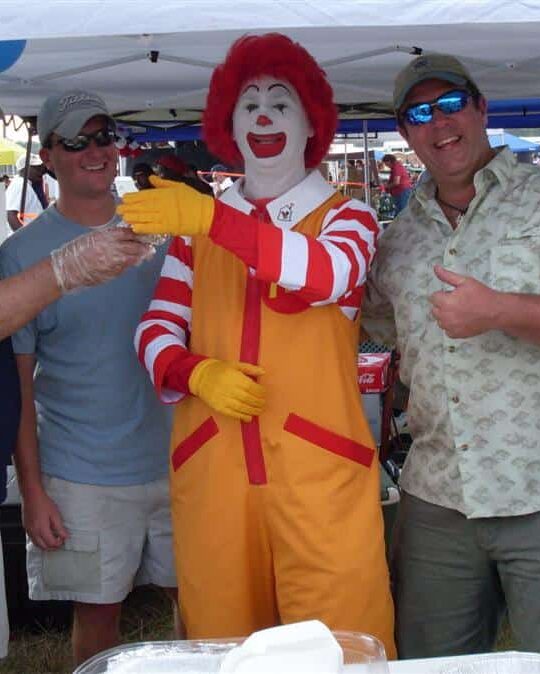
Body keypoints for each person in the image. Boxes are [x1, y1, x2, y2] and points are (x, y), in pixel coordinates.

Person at [118, 32, 395, 654]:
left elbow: (326, 275)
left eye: (281, 101)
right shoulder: (196, 231)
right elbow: (155, 329)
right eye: (249, 104)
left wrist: (213, 219)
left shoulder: (348, 216)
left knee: (340, 646)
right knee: (220, 648)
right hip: (213, 472)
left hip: (320, 473)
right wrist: (195, 374)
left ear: (310, 123)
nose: (264, 115)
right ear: (229, 125)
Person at [362, 52, 540, 671]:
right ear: (406, 133)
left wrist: (499, 311)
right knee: (431, 664)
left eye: (452, 103)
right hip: (436, 499)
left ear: (482, 107)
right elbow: (358, 322)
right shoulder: (398, 238)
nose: (440, 123)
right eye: (420, 114)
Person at [0, 89, 178, 666]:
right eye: (76, 140)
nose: (95, 150)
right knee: (96, 614)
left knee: (196, 604)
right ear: (49, 155)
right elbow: (19, 386)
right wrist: (31, 491)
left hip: (177, 459)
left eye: (104, 136)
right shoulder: (21, 255)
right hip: (79, 475)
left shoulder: (162, 229)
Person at [5, 154, 47, 231]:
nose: (40, 171)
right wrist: (24, 239)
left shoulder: (26, 184)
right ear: (24, 169)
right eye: (36, 168)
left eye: (40, 168)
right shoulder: (20, 184)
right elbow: (11, 216)